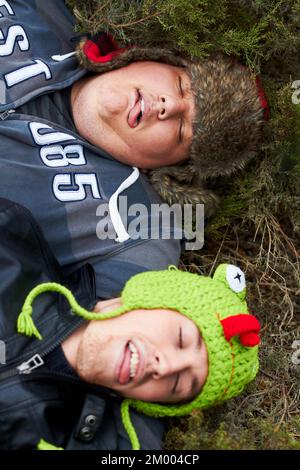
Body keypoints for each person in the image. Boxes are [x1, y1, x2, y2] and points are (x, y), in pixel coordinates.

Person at [0, 0, 265, 449]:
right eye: (182, 86)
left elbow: (141, 342)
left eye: (183, 130)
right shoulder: (41, 15)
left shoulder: (136, 226)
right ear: (149, 60)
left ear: (174, 171)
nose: (167, 106)